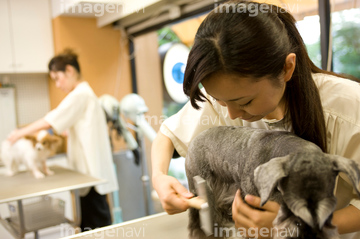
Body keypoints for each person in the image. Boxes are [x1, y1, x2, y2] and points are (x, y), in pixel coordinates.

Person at [151, 1, 360, 238]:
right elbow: (167, 135)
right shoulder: (227, 94)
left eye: (245, 102)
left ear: (287, 68)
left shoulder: (349, 109)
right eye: (220, 100)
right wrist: (159, 177)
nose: (230, 114)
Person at [7, 49, 119, 232]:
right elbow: (78, 123)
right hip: (90, 174)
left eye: (58, 78)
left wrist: (20, 133)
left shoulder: (80, 94)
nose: (58, 84)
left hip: (91, 174)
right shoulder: (86, 94)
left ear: (69, 70)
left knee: (97, 227)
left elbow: (50, 119)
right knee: (93, 224)